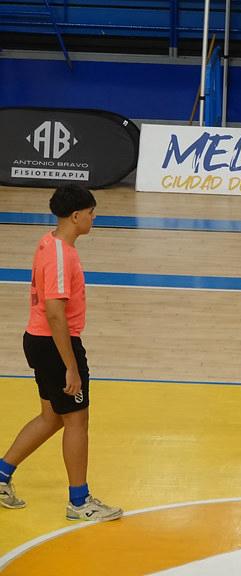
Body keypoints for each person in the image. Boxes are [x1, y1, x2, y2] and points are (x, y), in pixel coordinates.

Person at [0, 184, 122, 522]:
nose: (94, 218)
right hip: (55, 343)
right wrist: (71, 366)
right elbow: (55, 312)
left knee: (52, 417)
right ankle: (80, 502)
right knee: (77, 420)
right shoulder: (60, 255)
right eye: (92, 212)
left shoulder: (50, 242)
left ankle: (1, 474)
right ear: (76, 215)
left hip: (40, 340)